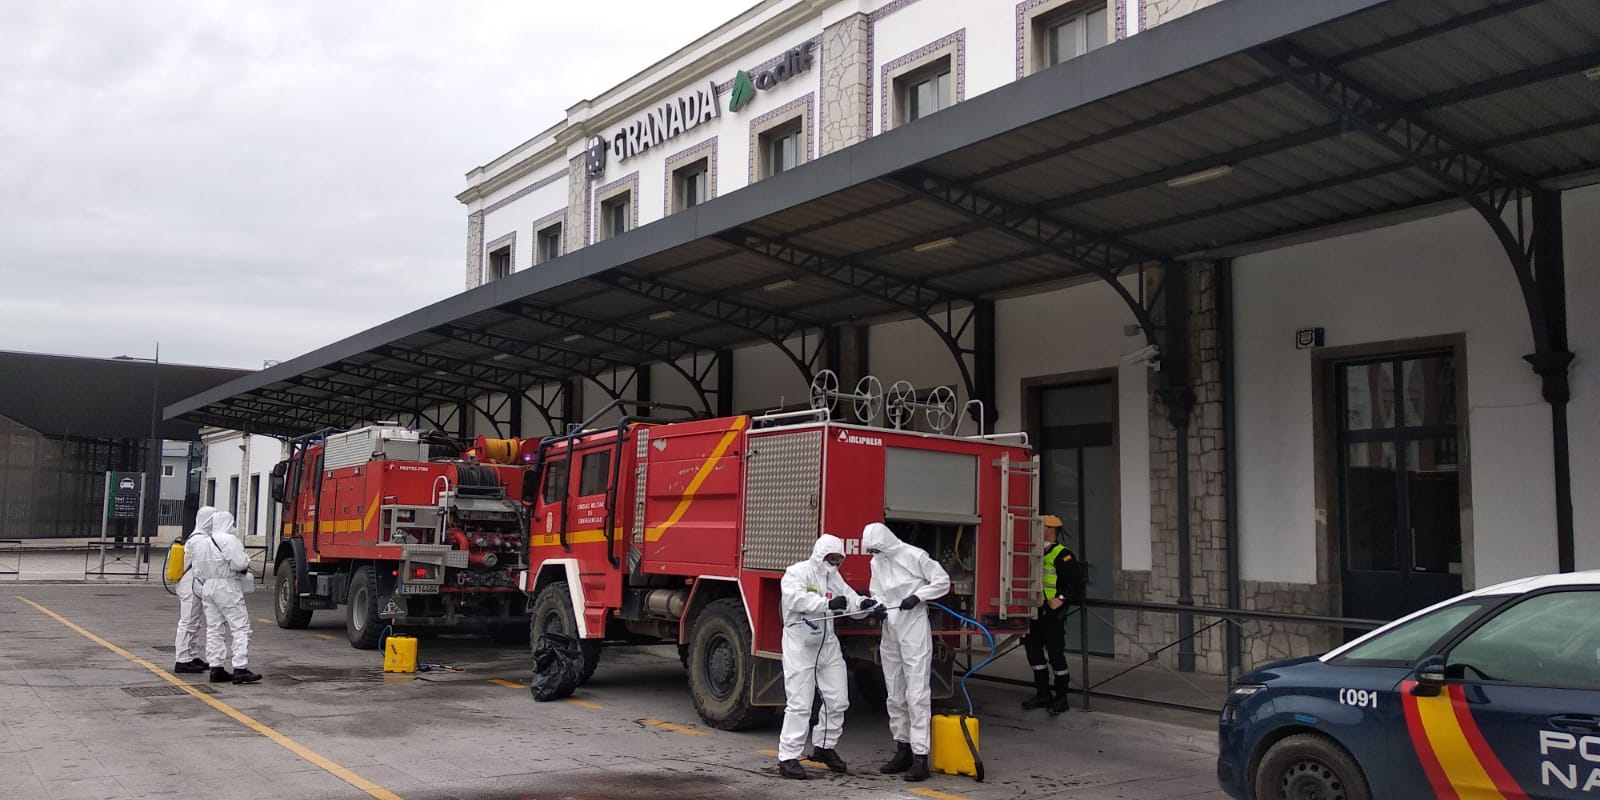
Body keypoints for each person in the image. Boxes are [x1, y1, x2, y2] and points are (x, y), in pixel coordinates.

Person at [776, 533, 881, 780]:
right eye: (831, 558)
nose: (834, 564)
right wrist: (827, 604)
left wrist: (864, 605)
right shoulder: (796, 573)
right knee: (800, 703)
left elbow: (850, 598)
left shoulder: (832, 576)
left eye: (837, 559)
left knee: (838, 699)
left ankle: (824, 746)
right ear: (819, 554)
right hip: (800, 643)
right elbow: (795, 599)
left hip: (827, 644)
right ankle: (788, 756)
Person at [862, 522, 950, 782]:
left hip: (913, 626)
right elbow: (876, 590)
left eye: (877, 549)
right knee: (894, 691)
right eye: (872, 551)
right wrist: (876, 604)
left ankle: (921, 756)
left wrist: (919, 596)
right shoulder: (877, 562)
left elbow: (942, 581)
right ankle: (903, 749)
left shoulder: (914, 556)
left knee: (917, 693)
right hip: (890, 627)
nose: (875, 554)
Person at [1021, 514, 1085, 713]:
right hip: (1034, 611)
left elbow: (1077, 583)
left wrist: (1062, 598)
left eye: (1040, 526)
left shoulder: (1063, 555)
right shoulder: (1035, 551)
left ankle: (1061, 697)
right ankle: (1042, 693)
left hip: (1051, 614)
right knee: (1033, 653)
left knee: (1056, 655)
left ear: (1050, 529)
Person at [190, 510, 262, 684]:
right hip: (227, 585)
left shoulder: (203, 543)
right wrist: (246, 561)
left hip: (208, 586)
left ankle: (216, 667)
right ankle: (240, 667)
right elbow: (240, 563)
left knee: (214, 628)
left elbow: (197, 570)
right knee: (240, 627)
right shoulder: (230, 540)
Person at [170, 506, 216, 674]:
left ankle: (191, 655)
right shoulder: (199, 540)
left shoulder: (198, 537)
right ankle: (182, 659)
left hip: (193, 585)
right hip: (190, 585)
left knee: (194, 622)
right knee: (187, 621)